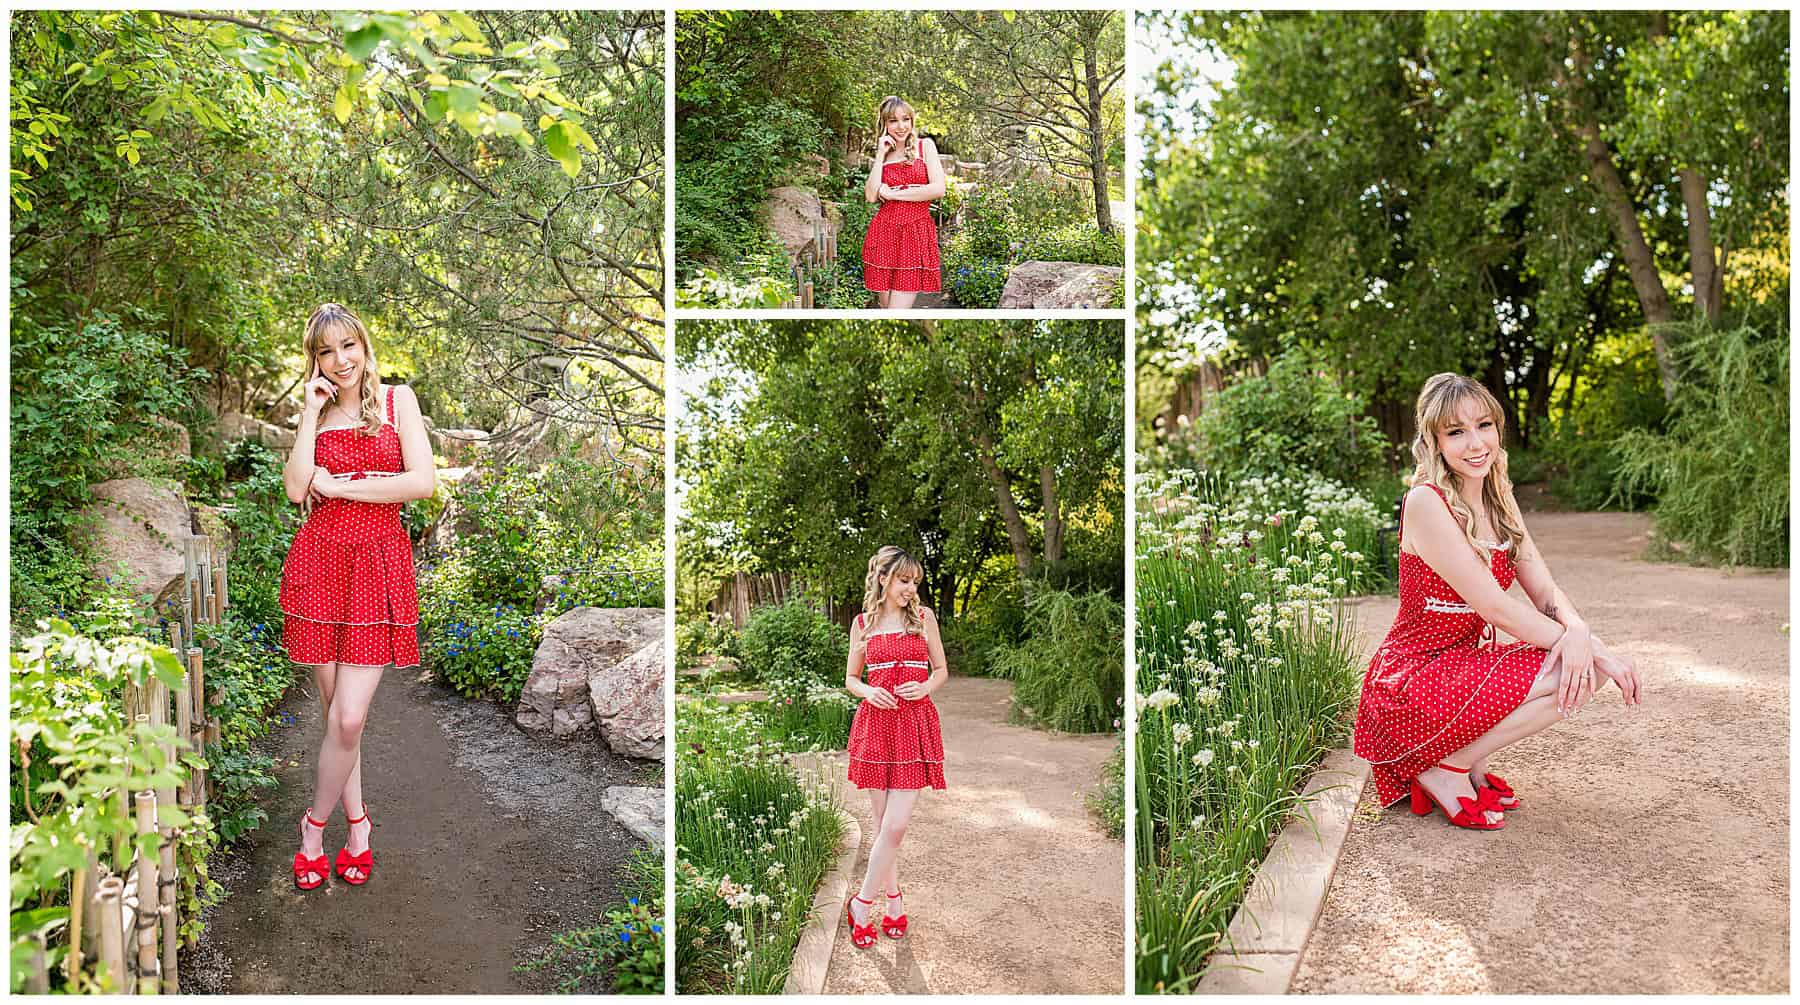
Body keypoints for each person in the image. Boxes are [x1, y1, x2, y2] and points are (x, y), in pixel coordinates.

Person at [1351, 373, 1642, 830]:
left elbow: (1543, 588)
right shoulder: (1426, 503)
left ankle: (1460, 762)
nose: (1475, 443)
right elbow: (1499, 609)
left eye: (1483, 425)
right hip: (1412, 675)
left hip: (1461, 662)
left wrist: (1583, 632)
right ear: (1434, 441)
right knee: (1580, 666)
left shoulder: (1497, 493)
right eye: (1455, 431)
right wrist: (1593, 651)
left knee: (1585, 669)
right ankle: (1445, 770)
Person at [278, 303, 436, 888]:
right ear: (314, 359)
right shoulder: (316, 418)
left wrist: (344, 486)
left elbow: (422, 482)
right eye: (326, 351)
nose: (340, 360)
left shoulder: (399, 402)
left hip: (378, 564)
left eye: (348, 346)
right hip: (321, 566)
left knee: (348, 717)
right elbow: (298, 489)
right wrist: (307, 413)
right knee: (337, 719)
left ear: (364, 346)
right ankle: (359, 823)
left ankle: (313, 828)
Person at [843, 546, 948, 947]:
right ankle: (895, 902)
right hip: (876, 727)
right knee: (885, 824)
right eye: (904, 580)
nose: (911, 588)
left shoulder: (923, 619)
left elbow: (941, 670)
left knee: (897, 825)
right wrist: (869, 691)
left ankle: (862, 903)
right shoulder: (862, 624)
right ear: (884, 578)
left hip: (914, 724)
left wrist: (924, 686)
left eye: (914, 582)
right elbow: (851, 678)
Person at [861, 96, 946, 309]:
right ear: (885, 124)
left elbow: (937, 189)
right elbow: (871, 196)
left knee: (896, 311)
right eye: (893, 121)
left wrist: (893, 194)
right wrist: (880, 154)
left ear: (912, 121)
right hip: (883, 234)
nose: (901, 126)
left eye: (905, 119)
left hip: (914, 234)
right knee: (885, 307)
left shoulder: (924, 146)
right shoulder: (885, 155)